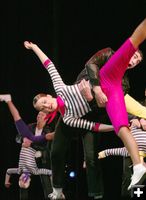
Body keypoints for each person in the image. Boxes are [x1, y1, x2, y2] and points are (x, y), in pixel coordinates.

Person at [24, 17, 146, 194]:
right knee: (58, 152)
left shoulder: (61, 88)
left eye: (45, 102)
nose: (46, 107)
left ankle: (122, 176)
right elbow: (92, 124)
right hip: (92, 105)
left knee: (93, 155)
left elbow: (49, 65)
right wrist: (95, 93)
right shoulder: (67, 118)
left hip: (101, 101)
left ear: (50, 96)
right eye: (42, 108)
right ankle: (58, 190)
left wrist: (35, 47)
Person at [0, 95, 53, 199]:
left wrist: (32, 145)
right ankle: (8, 100)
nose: (38, 116)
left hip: (40, 161)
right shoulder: (30, 127)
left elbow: (47, 148)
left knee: (46, 184)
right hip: (28, 161)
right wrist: (22, 140)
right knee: (23, 183)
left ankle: (51, 195)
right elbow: (18, 137)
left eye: (41, 115)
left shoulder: (48, 130)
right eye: (38, 114)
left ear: (46, 119)